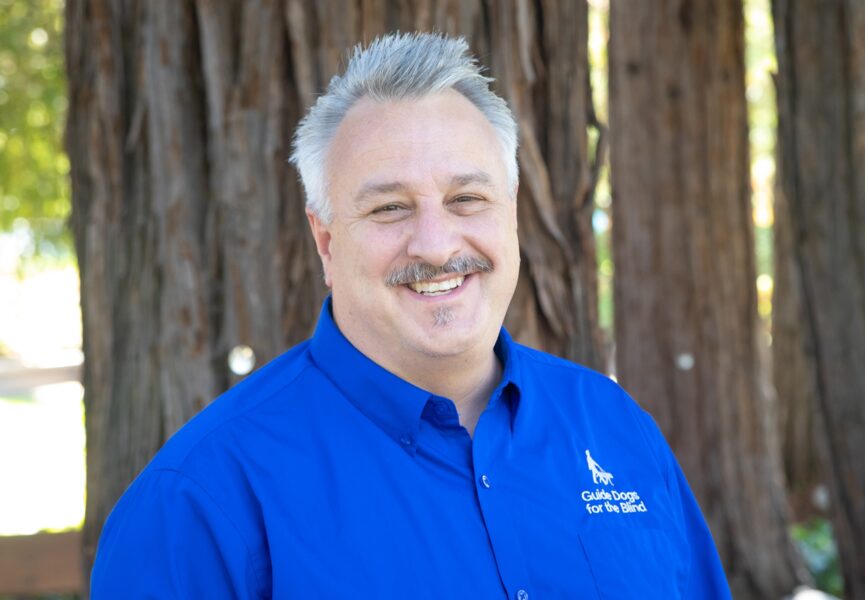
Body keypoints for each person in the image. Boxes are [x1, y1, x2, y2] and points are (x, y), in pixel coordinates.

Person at [90, 32, 731, 599]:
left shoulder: (614, 426)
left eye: (467, 197)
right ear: (326, 240)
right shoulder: (201, 499)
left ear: (510, 213)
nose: (435, 244)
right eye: (390, 208)